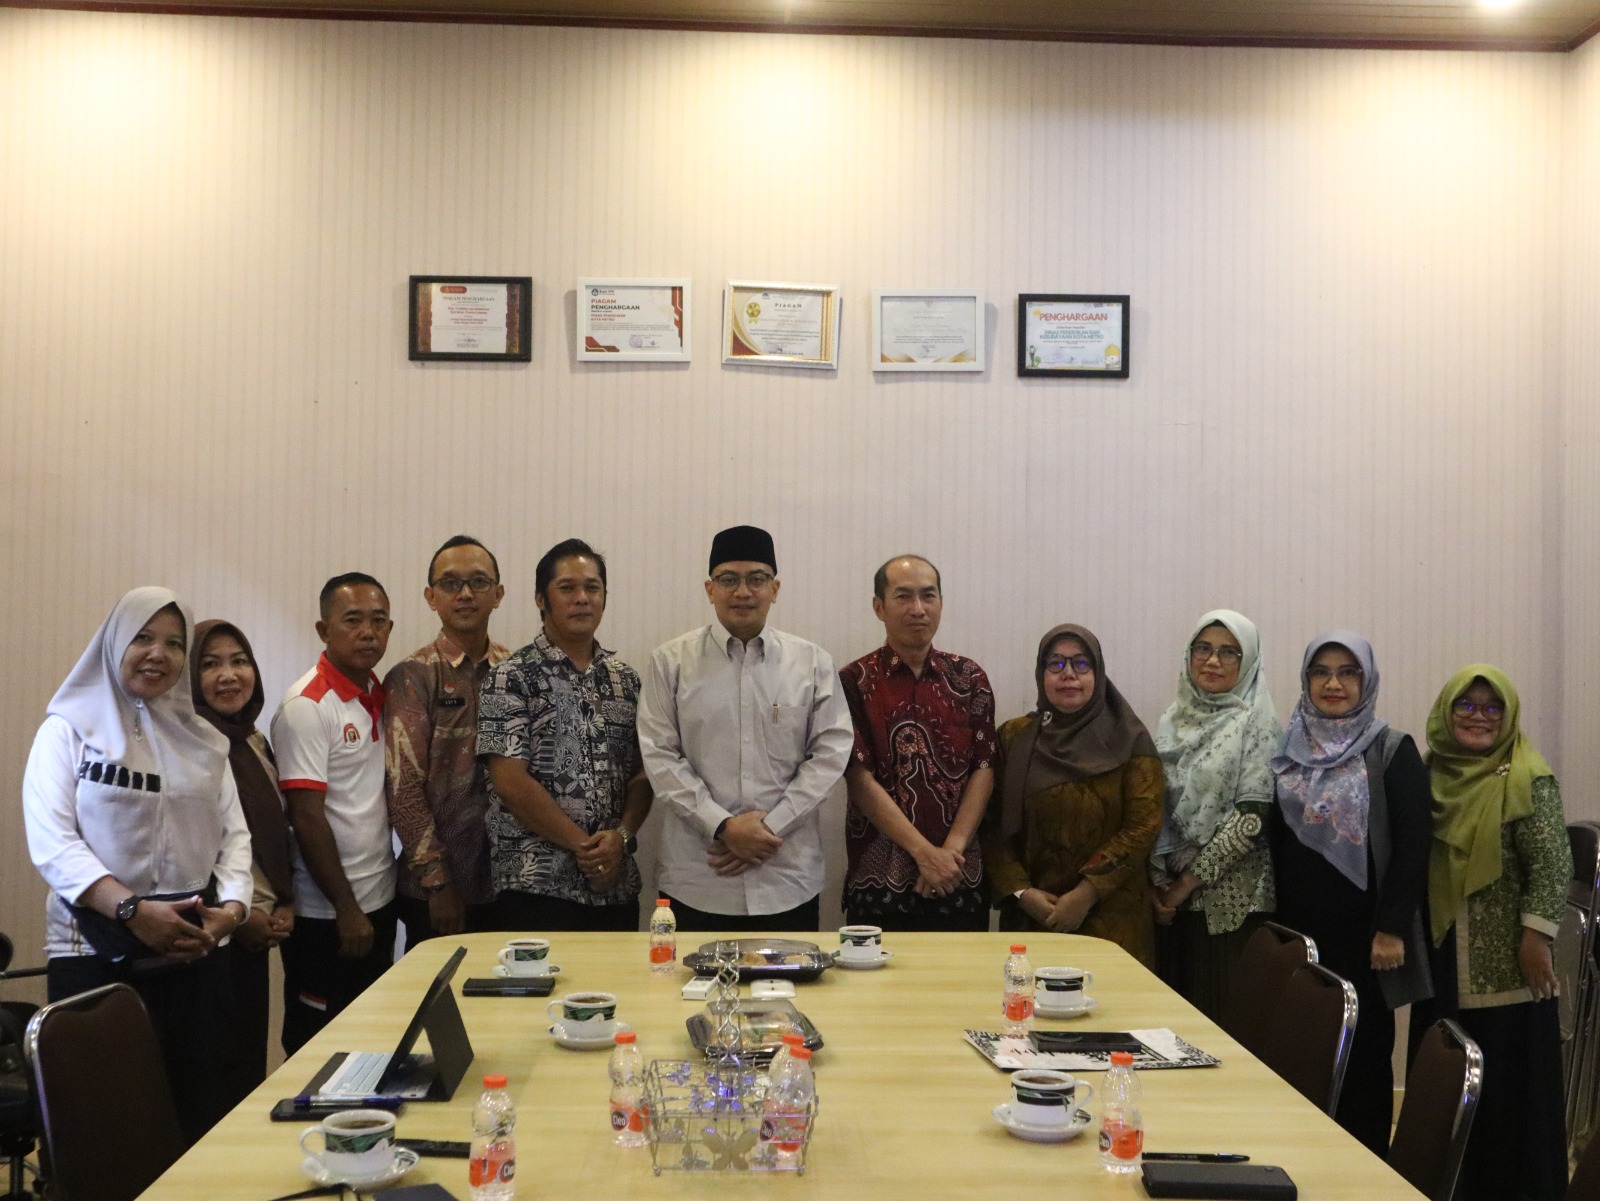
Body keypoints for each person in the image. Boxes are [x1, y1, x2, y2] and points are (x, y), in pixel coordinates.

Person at [22, 588, 252, 1144]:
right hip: (93, 953)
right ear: (114, 642)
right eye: (143, 638)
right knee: (106, 1127)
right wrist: (130, 910)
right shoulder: (67, 730)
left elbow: (235, 838)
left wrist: (232, 912)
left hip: (194, 952)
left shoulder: (205, 742)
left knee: (195, 1116)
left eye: (174, 643)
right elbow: (53, 842)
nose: (158, 654)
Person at [638, 525, 853, 931]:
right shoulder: (670, 663)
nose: (743, 592)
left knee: (792, 976)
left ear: (775, 588)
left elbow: (830, 755)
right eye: (728, 579)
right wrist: (723, 827)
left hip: (786, 877)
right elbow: (659, 756)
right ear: (709, 589)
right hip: (699, 878)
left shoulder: (812, 663)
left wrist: (767, 828)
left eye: (756, 579)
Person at [1268, 631, 1430, 1157]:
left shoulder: (1391, 749)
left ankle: (1363, 1168)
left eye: (1348, 672)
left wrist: (1391, 928)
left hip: (1366, 942)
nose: (1333, 684)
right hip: (1300, 937)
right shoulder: (1289, 749)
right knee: (1301, 1056)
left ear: (1367, 680)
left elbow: (1413, 844)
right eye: (1321, 672)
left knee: (1363, 1059)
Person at [1412, 666, 1570, 1201]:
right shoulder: (1429, 774)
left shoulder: (1528, 776)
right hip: (1441, 957)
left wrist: (1536, 938)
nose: (1478, 717)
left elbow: (1553, 866)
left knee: (1506, 1098)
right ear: (1446, 711)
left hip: (1509, 968)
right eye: (1466, 705)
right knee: (1446, 1079)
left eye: (1491, 707)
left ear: (1508, 715)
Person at [478, 539, 653, 930]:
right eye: (567, 588)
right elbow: (510, 783)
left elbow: (644, 774)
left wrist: (621, 838)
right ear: (541, 599)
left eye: (592, 587)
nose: (582, 598)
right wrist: (588, 850)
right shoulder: (509, 677)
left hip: (615, 887)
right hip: (535, 888)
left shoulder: (626, 681)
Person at [982, 624, 1163, 965]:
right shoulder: (1013, 738)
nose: (1068, 674)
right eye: (1056, 663)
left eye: (1081, 664)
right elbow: (990, 824)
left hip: (1114, 923)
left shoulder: (1130, 739)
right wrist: (1022, 892)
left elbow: (1144, 825)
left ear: (1098, 673)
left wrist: (1086, 893)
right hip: (1032, 921)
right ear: (1041, 673)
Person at [271, 572, 398, 1055]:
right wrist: (346, 908)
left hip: (378, 898)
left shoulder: (376, 693)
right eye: (353, 620)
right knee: (317, 1044)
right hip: (327, 914)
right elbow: (306, 817)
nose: (368, 632)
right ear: (324, 630)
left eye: (379, 621)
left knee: (371, 1038)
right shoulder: (307, 705)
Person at [838, 555, 996, 931]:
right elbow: (858, 777)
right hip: (880, 884)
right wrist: (925, 854)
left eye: (928, 595)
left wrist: (949, 853)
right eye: (903, 596)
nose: (918, 609)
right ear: (879, 607)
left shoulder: (969, 677)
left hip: (959, 876)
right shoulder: (854, 681)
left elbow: (985, 768)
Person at [1148, 610, 1281, 1022]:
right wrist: (1158, 885)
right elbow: (1154, 807)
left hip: (1231, 909)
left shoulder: (1257, 721)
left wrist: (1184, 885)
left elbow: (1251, 820)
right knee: (1172, 1028)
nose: (1212, 661)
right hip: (1172, 908)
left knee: (1222, 1027)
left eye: (1228, 652)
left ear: (1248, 661)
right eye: (1202, 648)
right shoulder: (1171, 720)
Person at [383, 535, 509, 948]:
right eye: (451, 583)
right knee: (438, 989)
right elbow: (403, 789)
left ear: (498, 594)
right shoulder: (412, 676)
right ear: (431, 596)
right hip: (435, 890)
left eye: (479, 582)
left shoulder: (516, 671)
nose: (466, 594)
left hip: (508, 883)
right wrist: (437, 881)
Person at [191, 619, 296, 1106]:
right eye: (210, 664)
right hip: (211, 935)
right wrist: (238, 914)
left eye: (239, 661)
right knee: (212, 1076)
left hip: (256, 930)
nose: (229, 675)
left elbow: (274, 834)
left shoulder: (253, 740)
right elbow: (193, 850)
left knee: (247, 1068)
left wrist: (284, 901)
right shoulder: (189, 748)